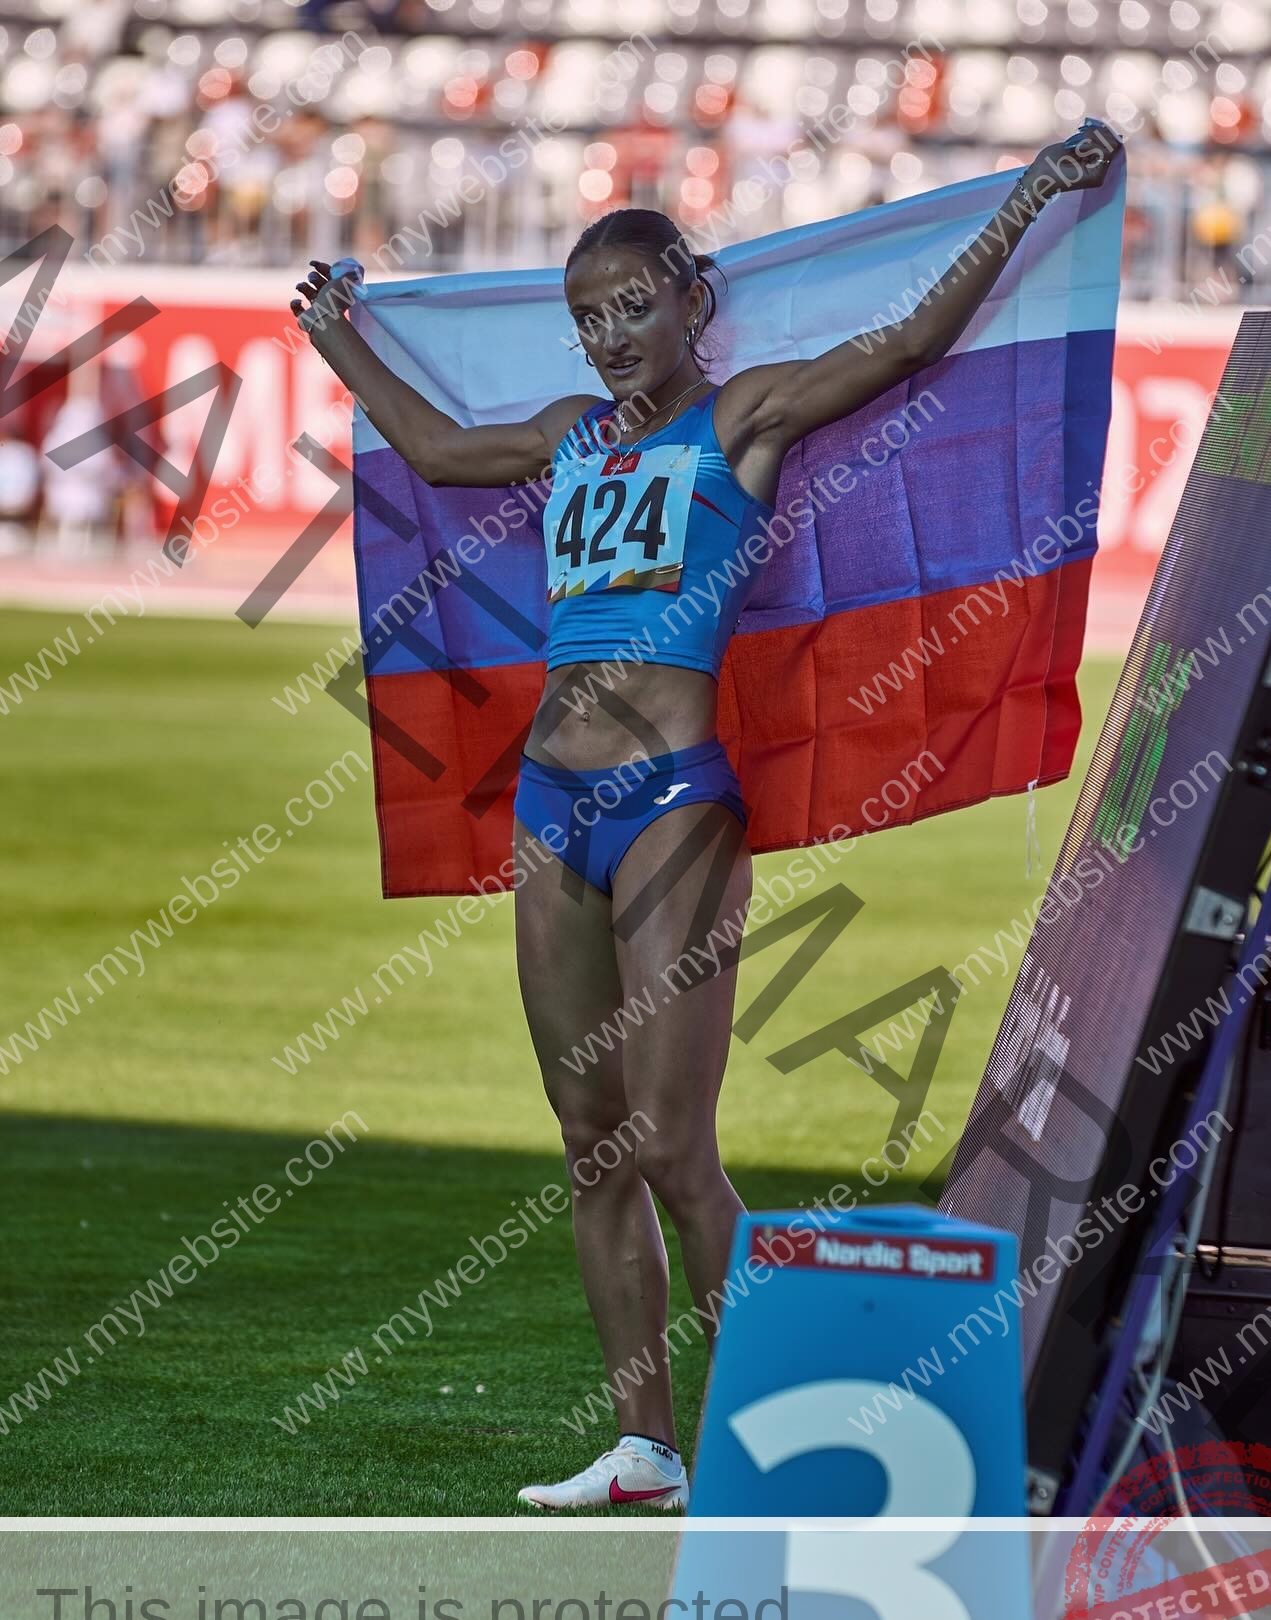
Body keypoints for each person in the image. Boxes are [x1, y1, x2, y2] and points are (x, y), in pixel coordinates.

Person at [290, 122, 1117, 1512]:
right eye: (588, 319)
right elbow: (431, 448)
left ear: (693, 298)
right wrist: (336, 333)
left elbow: (910, 347)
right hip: (554, 807)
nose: (612, 335)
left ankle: (767, 1452)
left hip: (675, 801)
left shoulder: (743, 422)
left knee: (676, 1146)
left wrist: (1030, 195)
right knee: (590, 1139)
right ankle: (644, 1452)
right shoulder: (566, 440)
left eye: (633, 305)